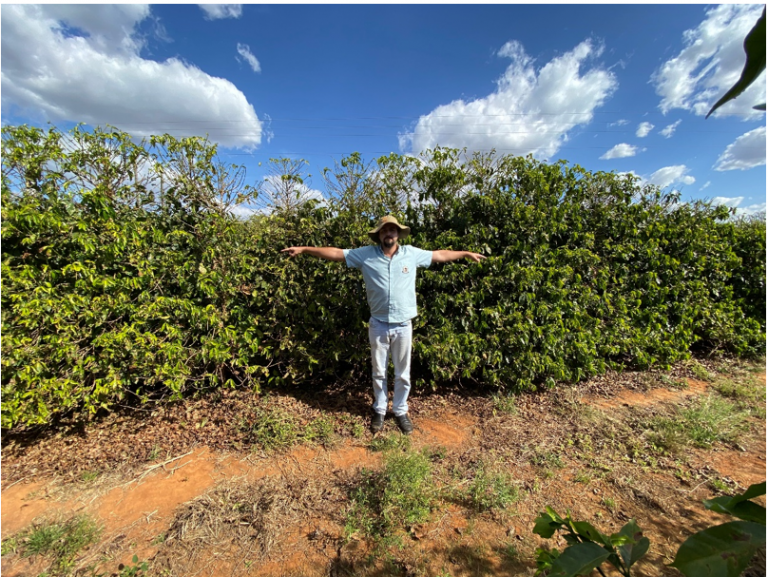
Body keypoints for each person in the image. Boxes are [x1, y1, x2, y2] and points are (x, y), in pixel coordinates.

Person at [281, 215, 486, 434]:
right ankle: (379, 409)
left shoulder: (412, 254)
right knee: (378, 371)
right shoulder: (365, 255)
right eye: (384, 230)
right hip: (378, 323)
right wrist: (304, 249)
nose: (389, 233)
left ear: (398, 234)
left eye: (392, 230)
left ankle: (400, 410)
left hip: (403, 324)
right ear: (379, 234)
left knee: (403, 373)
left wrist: (464, 253)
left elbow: (440, 255)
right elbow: (335, 253)